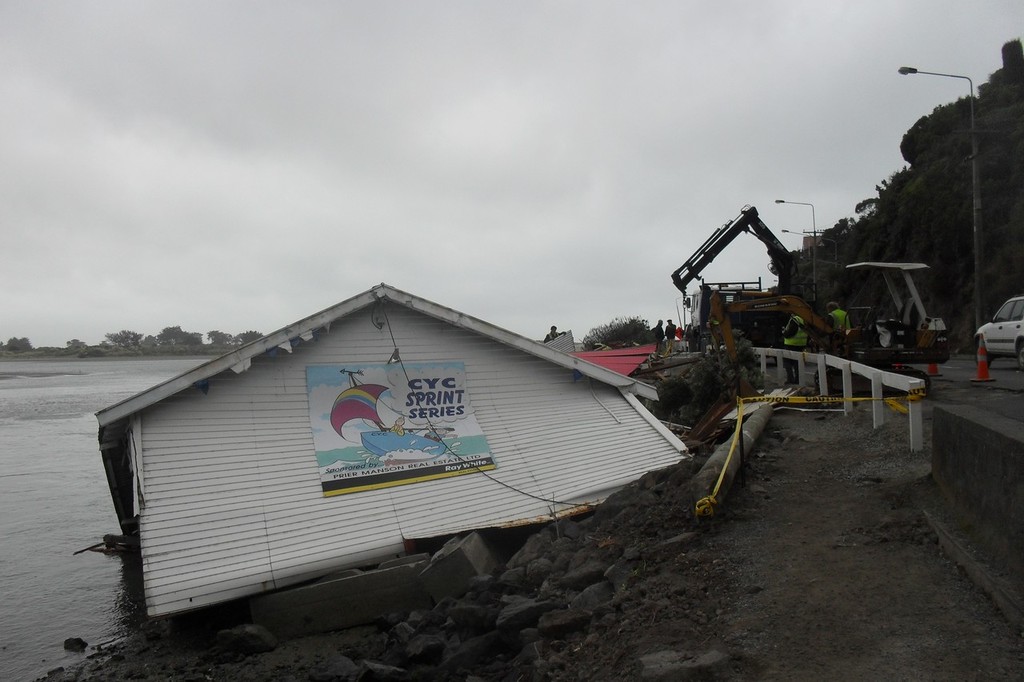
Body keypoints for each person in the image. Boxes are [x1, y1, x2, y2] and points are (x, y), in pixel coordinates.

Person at [782, 312, 808, 384]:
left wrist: (784, 333)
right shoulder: (805, 319)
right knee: (797, 363)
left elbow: (791, 332)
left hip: (791, 344)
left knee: (787, 362)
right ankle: (798, 380)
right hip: (801, 344)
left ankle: (790, 379)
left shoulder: (795, 320)